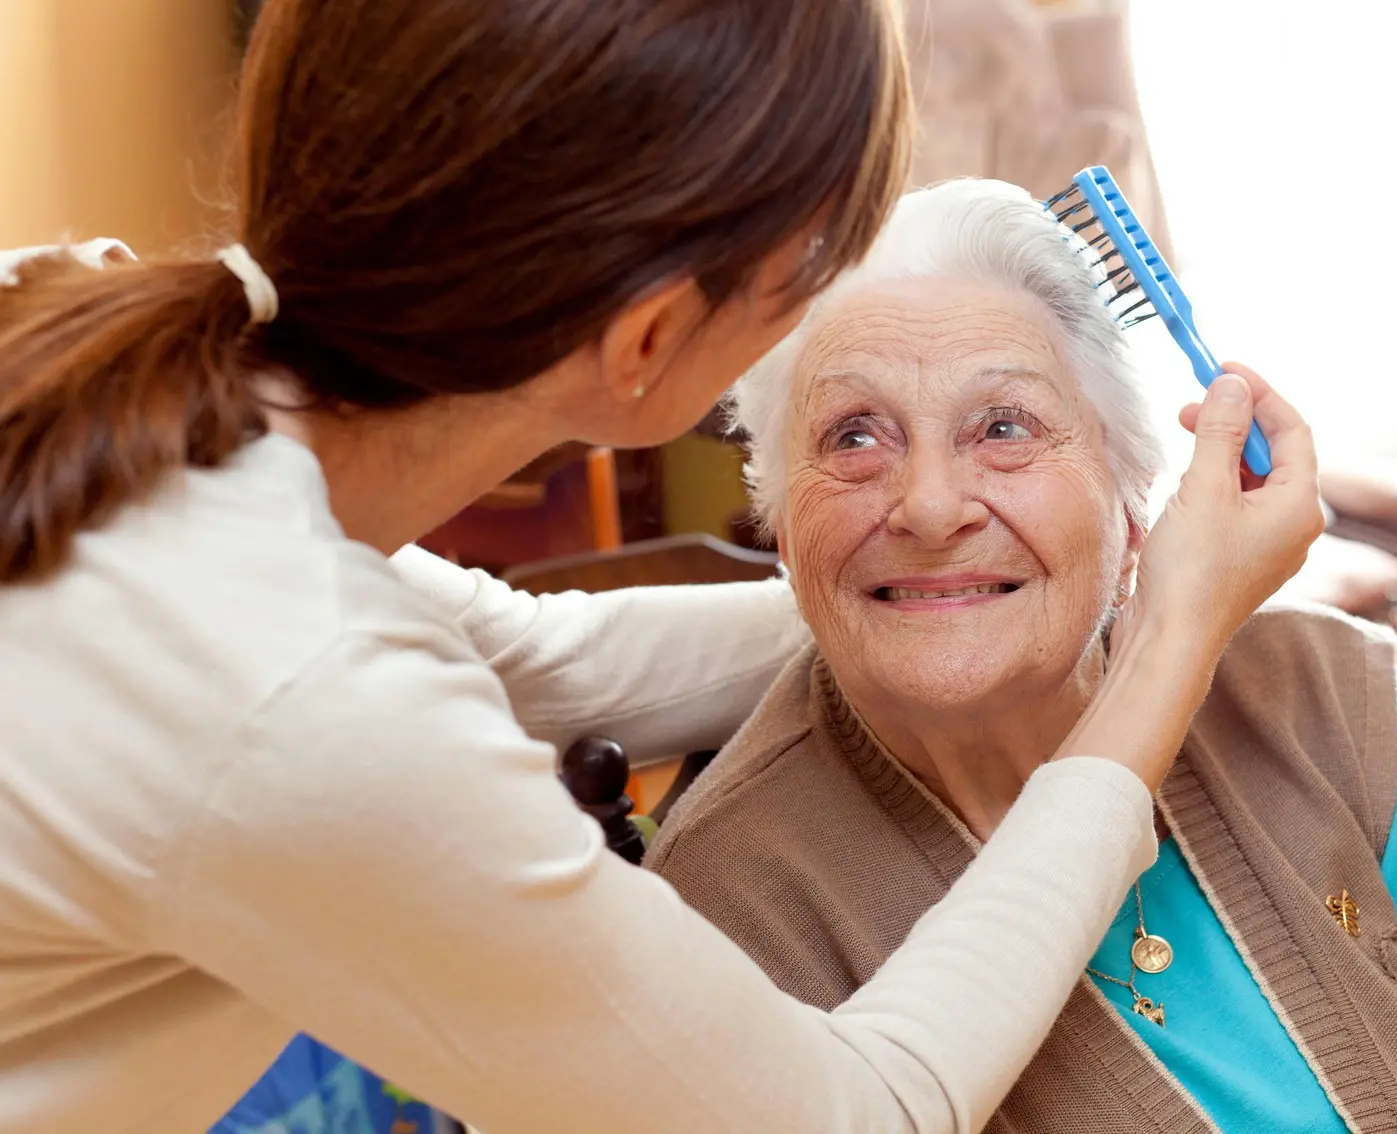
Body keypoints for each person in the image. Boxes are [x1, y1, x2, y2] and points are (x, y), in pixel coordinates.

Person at [0, 3, 1324, 1132]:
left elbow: (541, 660)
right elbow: (855, 1112)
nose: (930, 497)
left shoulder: (87, 342)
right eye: (816, 274)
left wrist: (981, 590)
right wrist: (1165, 644)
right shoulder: (292, 685)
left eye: (1002, 433)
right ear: (645, 343)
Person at [646, 179, 1397, 1133]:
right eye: (854, 436)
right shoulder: (722, 916)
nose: (930, 507)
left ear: (1132, 503)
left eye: (1003, 427)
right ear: (780, 525)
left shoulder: (1322, 690)